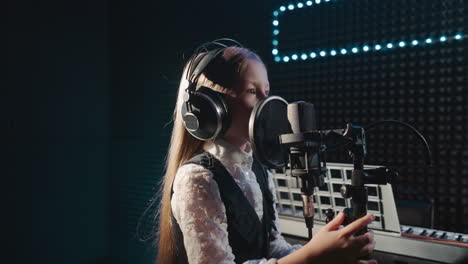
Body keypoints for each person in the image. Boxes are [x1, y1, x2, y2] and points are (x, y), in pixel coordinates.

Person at [156, 40, 377, 264]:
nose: (267, 103)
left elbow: (272, 247)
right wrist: (313, 255)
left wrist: (331, 253)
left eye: (267, 91)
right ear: (213, 107)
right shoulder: (197, 179)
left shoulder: (258, 169)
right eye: (252, 91)